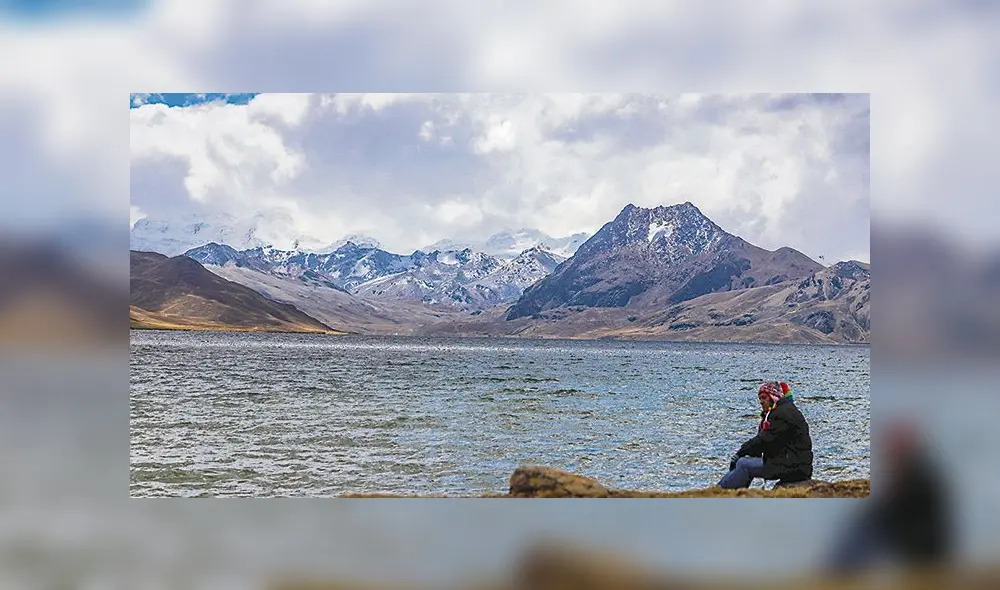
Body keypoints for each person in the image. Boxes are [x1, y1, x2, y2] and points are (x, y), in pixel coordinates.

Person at [718, 380, 813, 489]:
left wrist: (740, 452)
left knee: (744, 464)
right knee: (743, 462)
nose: (761, 402)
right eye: (760, 399)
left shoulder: (782, 414)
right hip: (793, 463)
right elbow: (770, 442)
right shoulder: (784, 410)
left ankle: (721, 492)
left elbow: (764, 440)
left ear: (773, 397)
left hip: (792, 466)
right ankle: (722, 490)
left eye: (764, 398)